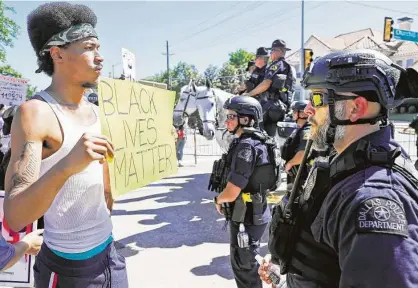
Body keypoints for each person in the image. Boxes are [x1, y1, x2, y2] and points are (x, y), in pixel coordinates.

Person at [260, 49, 418, 287]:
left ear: (356, 108)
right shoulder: (344, 164)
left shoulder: (372, 200)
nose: (308, 110)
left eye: (317, 98)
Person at [4, 2, 128, 287]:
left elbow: (106, 195)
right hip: (67, 269)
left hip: (111, 256)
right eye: (89, 47)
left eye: (98, 48)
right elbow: (15, 215)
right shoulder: (35, 113)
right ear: (57, 53)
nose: (99, 57)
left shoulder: (99, 111)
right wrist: (68, 164)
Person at [209, 95, 277, 288]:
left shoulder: (246, 146)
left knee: (244, 265)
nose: (226, 120)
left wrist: (218, 199)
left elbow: (231, 192)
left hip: (246, 215)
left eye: (231, 116)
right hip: (252, 212)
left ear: (246, 119)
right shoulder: (251, 141)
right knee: (247, 261)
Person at [244, 39, 296, 138]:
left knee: (251, 120)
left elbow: (266, 83)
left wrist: (249, 95)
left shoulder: (277, 65)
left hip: (274, 105)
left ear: (280, 51)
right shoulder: (283, 65)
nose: (270, 53)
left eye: (272, 51)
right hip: (279, 105)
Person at [280, 100, 310, 189]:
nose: (292, 114)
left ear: (303, 114)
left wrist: (290, 163)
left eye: (294, 111)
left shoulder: (307, 130)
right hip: (296, 174)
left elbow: (304, 152)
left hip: (302, 176)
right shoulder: (300, 128)